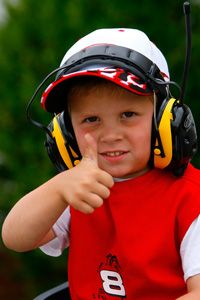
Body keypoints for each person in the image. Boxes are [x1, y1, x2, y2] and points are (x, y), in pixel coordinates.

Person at [2, 28, 200, 299]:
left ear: (166, 120)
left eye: (128, 114)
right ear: (66, 133)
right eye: (91, 120)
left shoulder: (191, 198)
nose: (110, 135)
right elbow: (16, 238)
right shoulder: (78, 188)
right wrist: (59, 187)